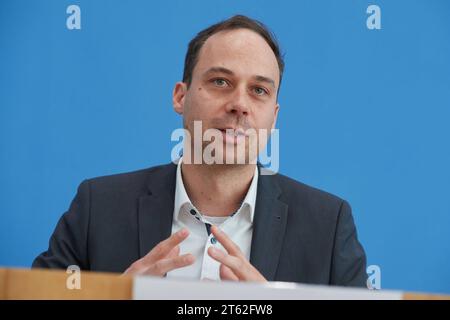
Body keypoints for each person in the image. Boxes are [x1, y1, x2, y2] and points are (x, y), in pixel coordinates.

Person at [33, 15, 367, 287]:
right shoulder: (98, 207)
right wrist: (112, 299)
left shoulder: (328, 225)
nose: (239, 104)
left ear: (274, 116)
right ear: (181, 96)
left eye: (259, 90)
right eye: (220, 81)